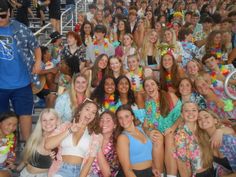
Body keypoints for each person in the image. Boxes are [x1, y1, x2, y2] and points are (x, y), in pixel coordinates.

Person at [0, 0, 41, 141]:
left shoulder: (20, 28)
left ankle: (27, 153)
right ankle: (5, 155)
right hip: (0, 86)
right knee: (3, 122)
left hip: (22, 84)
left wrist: (38, 61)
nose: (0, 19)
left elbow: (36, 46)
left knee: (25, 116)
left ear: (10, 13)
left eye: (3, 15)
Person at [45, 99, 103, 177]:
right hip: (62, 169)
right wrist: (70, 130)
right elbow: (48, 145)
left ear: (94, 117)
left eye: (93, 112)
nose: (89, 114)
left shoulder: (95, 136)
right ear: (80, 111)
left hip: (82, 171)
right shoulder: (66, 126)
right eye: (87, 109)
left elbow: (89, 162)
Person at [143, 77, 182, 177]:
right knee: (156, 137)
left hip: (175, 127)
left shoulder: (169, 96)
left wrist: (172, 128)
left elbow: (182, 115)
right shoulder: (148, 103)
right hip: (159, 131)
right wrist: (148, 132)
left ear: (157, 86)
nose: (150, 87)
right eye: (147, 85)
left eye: (152, 84)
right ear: (145, 89)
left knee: (169, 136)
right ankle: (159, 174)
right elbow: (145, 125)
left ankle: (171, 175)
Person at [174, 102, 215, 177]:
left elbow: (218, 125)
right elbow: (182, 165)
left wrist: (220, 131)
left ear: (197, 112)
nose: (190, 113)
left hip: (214, 169)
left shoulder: (203, 126)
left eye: (194, 110)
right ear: (182, 115)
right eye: (186, 110)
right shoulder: (180, 135)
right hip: (199, 174)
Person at [116, 105, 156, 177]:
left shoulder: (140, 129)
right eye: (120, 118)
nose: (124, 120)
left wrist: (153, 167)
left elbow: (146, 152)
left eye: (126, 116)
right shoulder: (122, 138)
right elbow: (127, 170)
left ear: (132, 117)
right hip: (134, 174)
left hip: (149, 172)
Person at [19, 109, 60, 177]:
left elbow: (61, 166)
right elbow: (26, 159)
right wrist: (16, 168)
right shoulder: (35, 136)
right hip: (24, 173)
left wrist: (54, 160)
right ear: (40, 122)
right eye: (44, 120)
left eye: (51, 119)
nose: (48, 123)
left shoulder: (59, 140)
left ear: (57, 121)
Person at [197, 109, 236, 176]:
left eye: (206, 117)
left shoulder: (227, 139)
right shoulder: (205, 143)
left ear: (215, 121)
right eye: (199, 119)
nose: (203, 120)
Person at [90, 111, 120, 177]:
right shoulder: (92, 137)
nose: (104, 123)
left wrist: (98, 147)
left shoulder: (117, 146)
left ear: (115, 125)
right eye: (101, 120)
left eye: (108, 120)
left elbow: (108, 174)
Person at [0, 112, 18, 177]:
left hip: (3, 168)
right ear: (0, 123)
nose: (11, 128)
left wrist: (11, 163)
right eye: (9, 124)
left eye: (14, 125)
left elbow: (12, 155)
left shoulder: (12, 138)